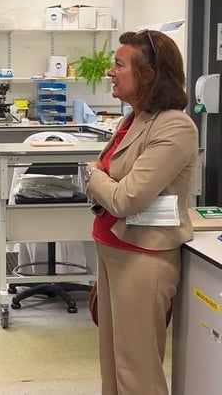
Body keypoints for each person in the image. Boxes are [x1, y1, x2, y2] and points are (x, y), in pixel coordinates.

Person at [84, 29, 198, 395]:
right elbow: (114, 188)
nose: (110, 72)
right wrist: (103, 182)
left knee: (137, 373)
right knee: (113, 366)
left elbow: (126, 198)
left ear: (148, 75)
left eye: (119, 65)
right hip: (113, 248)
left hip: (143, 258)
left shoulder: (175, 127)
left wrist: (92, 175)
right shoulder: (132, 120)